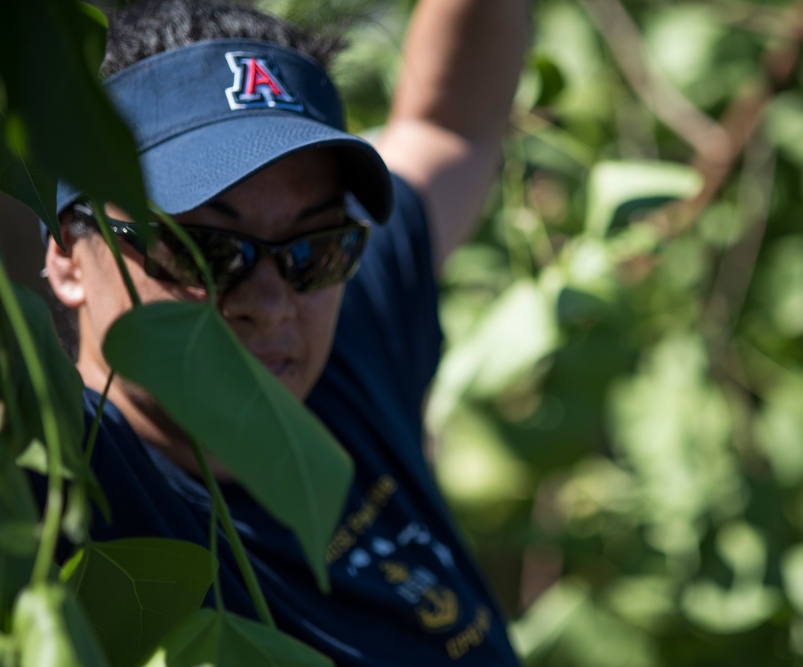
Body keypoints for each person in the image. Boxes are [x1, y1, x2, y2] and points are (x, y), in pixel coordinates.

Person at [39, 0, 529, 664]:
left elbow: (451, 124)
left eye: (317, 245)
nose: (270, 303)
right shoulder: (56, 478)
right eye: (200, 249)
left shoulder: (347, 346)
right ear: (67, 254)